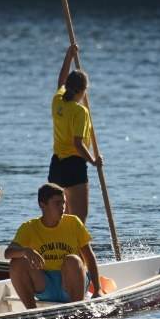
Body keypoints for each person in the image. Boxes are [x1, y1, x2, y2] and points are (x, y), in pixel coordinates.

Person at [6, 183, 103, 308]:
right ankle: (32, 313)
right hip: (45, 285)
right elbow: (7, 253)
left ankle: (77, 308)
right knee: (16, 262)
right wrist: (25, 251)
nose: (62, 207)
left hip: (70, 283)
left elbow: (89, 257)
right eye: (57, 203)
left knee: (73, 260)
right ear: (42, 205)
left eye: (63, 202)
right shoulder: (29, 227)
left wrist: (97, 289)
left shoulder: (73, 222)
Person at [49, 44, 103, 222]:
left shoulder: (57, 101)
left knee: (61, 219)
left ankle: (63, 249)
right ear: (82, 90)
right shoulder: (80, 112)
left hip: (56, 166)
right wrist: (94, 161)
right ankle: (76, 251)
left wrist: (69, 56)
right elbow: (78, 144)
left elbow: (60, 82)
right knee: (78, 219)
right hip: (74, 167)